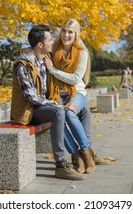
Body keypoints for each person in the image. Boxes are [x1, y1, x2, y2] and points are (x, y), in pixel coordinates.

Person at [10, 24, 84, 180]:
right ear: (40, 45)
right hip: (27, 110)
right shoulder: (22, 65)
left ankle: (84, 153)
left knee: (78, 110)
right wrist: (57, 105)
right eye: (49, 40)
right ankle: (61, 164)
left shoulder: (44, 59)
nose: (52, 42)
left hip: (40, 108)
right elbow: (31, 97)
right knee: (58, 111)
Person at [45, 19, 107, 174]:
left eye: (70, 32)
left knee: (69, 113)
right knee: (56, 119)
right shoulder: (53, 48)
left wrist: (53, 70)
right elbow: (36, 48)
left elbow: (75, 79)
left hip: (76, 92)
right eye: (64, 31)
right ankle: (76, 154)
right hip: (56, 93)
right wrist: (25, 50)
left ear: (76, 34)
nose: (66, 35)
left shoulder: (82, 52)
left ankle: (86, 152)